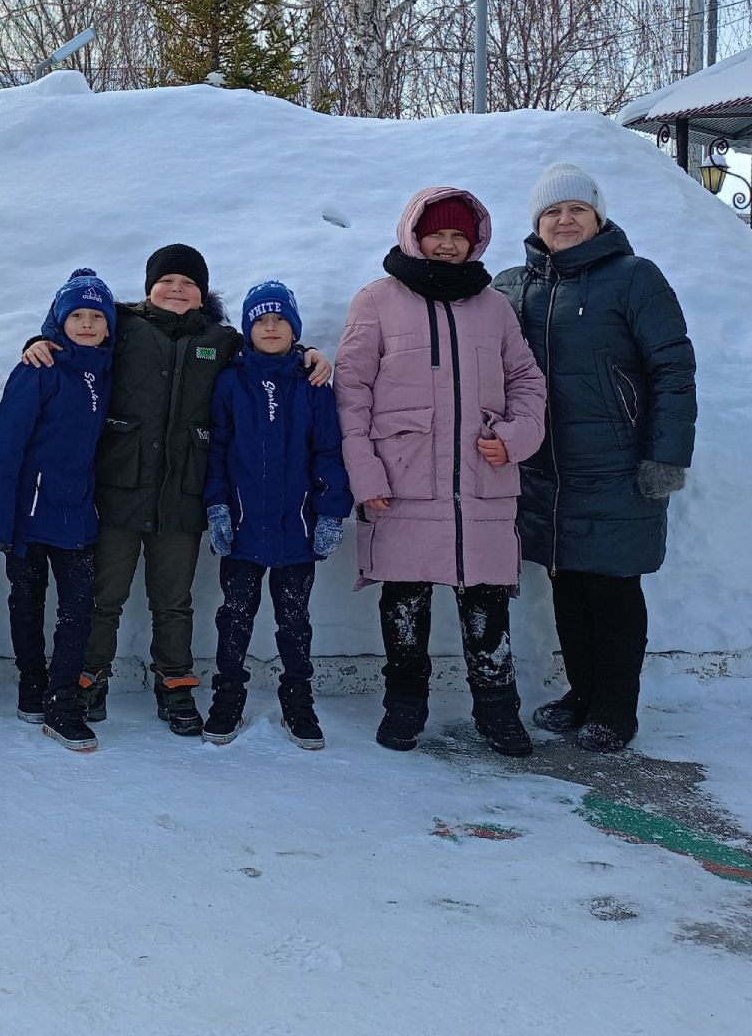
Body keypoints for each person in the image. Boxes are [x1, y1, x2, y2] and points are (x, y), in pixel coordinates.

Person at [22, 244, 331, 736]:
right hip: (121, 486)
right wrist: (39, 340)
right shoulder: (123, 326)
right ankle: (89, 679)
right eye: (167, 281)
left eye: (188, 283)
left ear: (203, 293)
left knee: (173, 599)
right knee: (107, 595)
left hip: (184, 491)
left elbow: (267, 349)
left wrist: (307, 353)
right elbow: (79, 329)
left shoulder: (221, 339)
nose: (177, 289)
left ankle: (176, 685)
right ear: (150, 287)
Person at [333, 188, 547, 756]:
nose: (449, 245)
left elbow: (527, 381)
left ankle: (498, 709)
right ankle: (404, 705)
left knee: (487, 604)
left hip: (482, 480)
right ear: (413, 235)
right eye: (438, 234)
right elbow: (350, 394)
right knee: (404, 602)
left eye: (460, 235)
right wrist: (366, 475)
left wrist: (516, 437)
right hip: (403, 484)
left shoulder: (494, 306)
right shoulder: (377, 301)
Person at [493, 163, 697, 753]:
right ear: (537, 222)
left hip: (615, 463)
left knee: (612, 588)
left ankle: (616, 708)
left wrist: (665, 457)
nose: (564, 220)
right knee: (568, 585)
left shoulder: (634, 278)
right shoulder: (515, 285)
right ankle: (581, 694)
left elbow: (672, 369)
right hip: (544, 467)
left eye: (577, 209)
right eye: (553, 212)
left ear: (598, 217)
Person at [202, 281, 352, 749]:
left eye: (280, 320)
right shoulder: (230, 381)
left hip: (296, 530)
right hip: (244, 529)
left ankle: (298, 698)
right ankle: (228, 695)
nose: (271, 327)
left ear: (294, 329)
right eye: (261, 320)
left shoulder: (313, 384)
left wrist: (330, 513)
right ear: (248, 329)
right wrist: (218, 506)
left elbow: (329, 450)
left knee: (294, 619)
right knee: (235, 617)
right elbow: (218, 450)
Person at [0, 269, 116, 752]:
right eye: (75, 314)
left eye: (95, 316)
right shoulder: (39, 368)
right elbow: (4, 448)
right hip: (29, 512)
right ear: (59, 319)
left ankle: (61, 700)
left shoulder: (109, 368)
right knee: (27, 601)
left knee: (78, 608)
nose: (85, 323)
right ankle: (31, 683)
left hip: (77, 513)